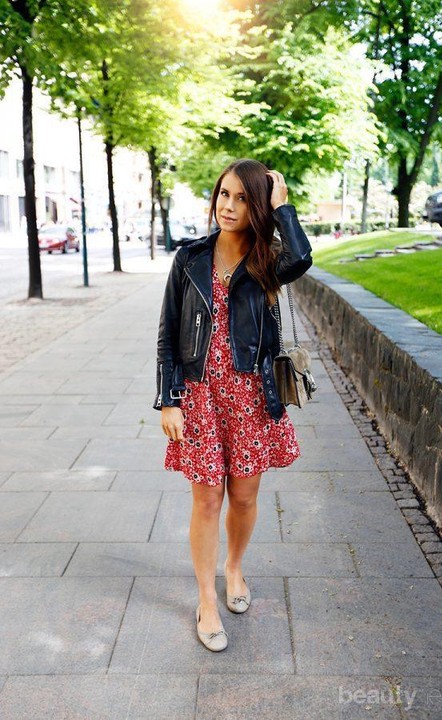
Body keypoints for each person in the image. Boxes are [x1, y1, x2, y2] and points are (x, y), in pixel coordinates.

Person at [153, 158, 312, 652]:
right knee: (206, 499)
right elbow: (167, 333)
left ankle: (234, 567)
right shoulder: (190, 258)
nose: (229, 206)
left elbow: (302, 259)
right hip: (200, 395)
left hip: (249, 396)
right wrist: (168, 400)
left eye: (243, 199)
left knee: (243, 497)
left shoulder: (268, 260)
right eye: (225, 194)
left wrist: (283, 209)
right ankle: (206, 598)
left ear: (257, 207)